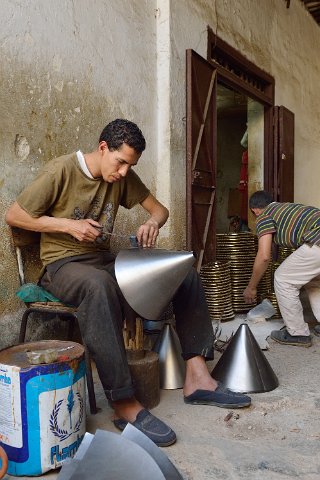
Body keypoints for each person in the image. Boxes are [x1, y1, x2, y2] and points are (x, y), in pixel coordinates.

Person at [6, 119, 251, 447]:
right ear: (103, 147)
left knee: (182, 271)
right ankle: (123, 402)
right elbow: (14, 215)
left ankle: (198, 378)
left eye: (130, 165)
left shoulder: (121, 175)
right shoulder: (60, 171)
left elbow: (160, 210)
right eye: (120, 162)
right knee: (98, 286)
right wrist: (68, 226)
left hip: (102, 263)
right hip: (63, 266)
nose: (123, 172)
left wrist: (153, 222)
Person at [243, 190, 320, 348]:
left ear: (254, 210)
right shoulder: (287, 208)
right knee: (313, 281)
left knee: (283, 278)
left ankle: (297, 333)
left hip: (318, 240)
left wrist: (251, 287)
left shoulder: (264, 216)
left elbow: (264, 256)